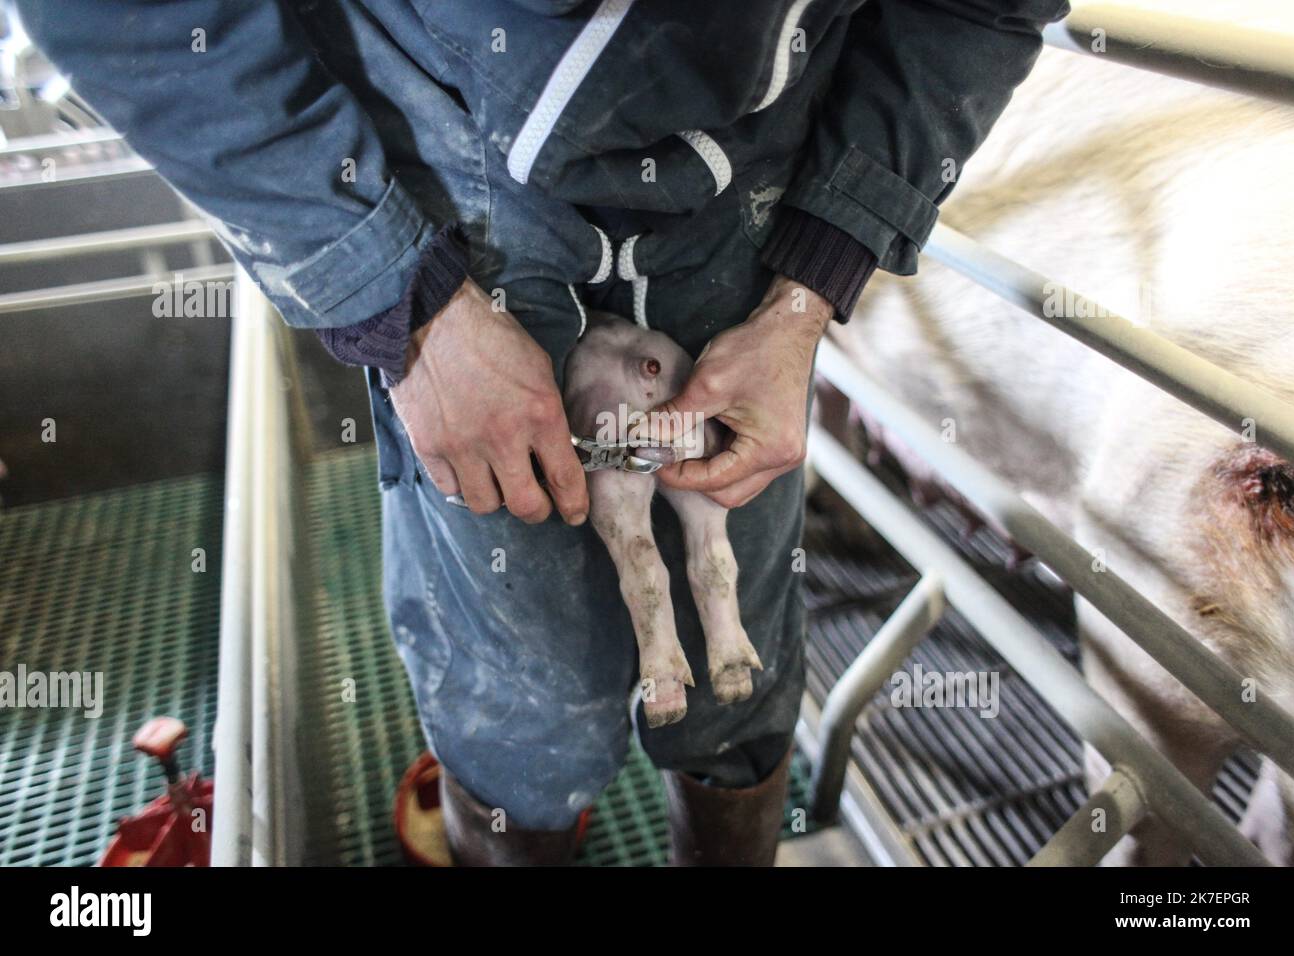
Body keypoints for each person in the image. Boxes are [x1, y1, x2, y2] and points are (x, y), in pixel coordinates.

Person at [19, 0, 1068, 865]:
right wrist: (409, 300)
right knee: (526, 681)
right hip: (460, 202)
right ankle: (516, 815)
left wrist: (806, 290)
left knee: (730, 624)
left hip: (745, 207)